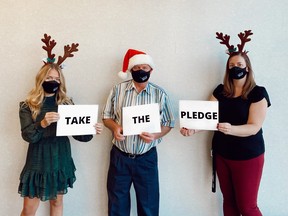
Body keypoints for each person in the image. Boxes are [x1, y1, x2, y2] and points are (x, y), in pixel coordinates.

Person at [180, 30, 271, 216]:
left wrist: (231, 129)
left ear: (247, 68)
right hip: (223, 154)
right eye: (232, 65)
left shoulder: (258, 93)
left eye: (239, 64)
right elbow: (206, 117)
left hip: (248, 156)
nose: (235, 67)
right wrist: (192, 128)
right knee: (229, 203)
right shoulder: (220, 91)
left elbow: (254, 127)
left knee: (247, 207)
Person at [18, 34, 103, 216]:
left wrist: (91, 129)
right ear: (41, 79)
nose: (53, 82)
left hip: (60, 157)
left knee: (57, 203)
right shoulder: (28, 105)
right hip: (38, 159)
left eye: (57, 79)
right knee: (29, 208)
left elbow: (81, 135)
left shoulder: (66, 103)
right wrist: (42, 123)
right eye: (49, 78)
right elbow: (28, 135)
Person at [102, 49, 175, 216]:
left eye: (145, 67)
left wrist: (156, 135)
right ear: (130, 70)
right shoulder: (117, 90)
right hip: (120, 156)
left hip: (146, 158)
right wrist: (115, 128)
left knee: (149, 206)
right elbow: (106, 117)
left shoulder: (160, 94)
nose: (141, 71)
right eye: (136, 68)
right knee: (116, 205)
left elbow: (169, 123)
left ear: (151, 70)